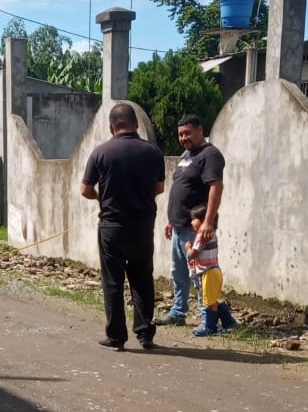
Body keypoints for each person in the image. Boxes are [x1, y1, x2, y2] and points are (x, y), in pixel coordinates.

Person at [81, 102, 166, 350]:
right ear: (136, 124)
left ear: (111, 127)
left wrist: (102, 197)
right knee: (142, 279)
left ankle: (116, 337)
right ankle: (145, 333)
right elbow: (159, 188)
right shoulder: (153, 152)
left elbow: (85, 189)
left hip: (112, 227)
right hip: (142, 227)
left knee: (113, 282)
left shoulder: (101, 153)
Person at [154, 113, 224, 326]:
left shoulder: (210, 155)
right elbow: (181, 188)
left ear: (200, 130)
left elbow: (215, 187)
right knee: (179, 273)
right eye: (180, 134)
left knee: (200, 274)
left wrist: (207, 222)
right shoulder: (187, 155)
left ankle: (208, 318)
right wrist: (171, 221)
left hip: (196, 228)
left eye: (188, 133)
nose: (183, 138)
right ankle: (178, 312)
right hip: (178, 226)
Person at [185, 204, 239, 336]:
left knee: (209, 303)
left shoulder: (201, 236)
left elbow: (193, 254)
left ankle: (209, 327)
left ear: (203, 221)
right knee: (212, 300)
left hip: (208, 273)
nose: (191, 222)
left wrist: (188, 248)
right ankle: (228, 322)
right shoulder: (212, 234)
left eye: (194, 219)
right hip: (214, 271)